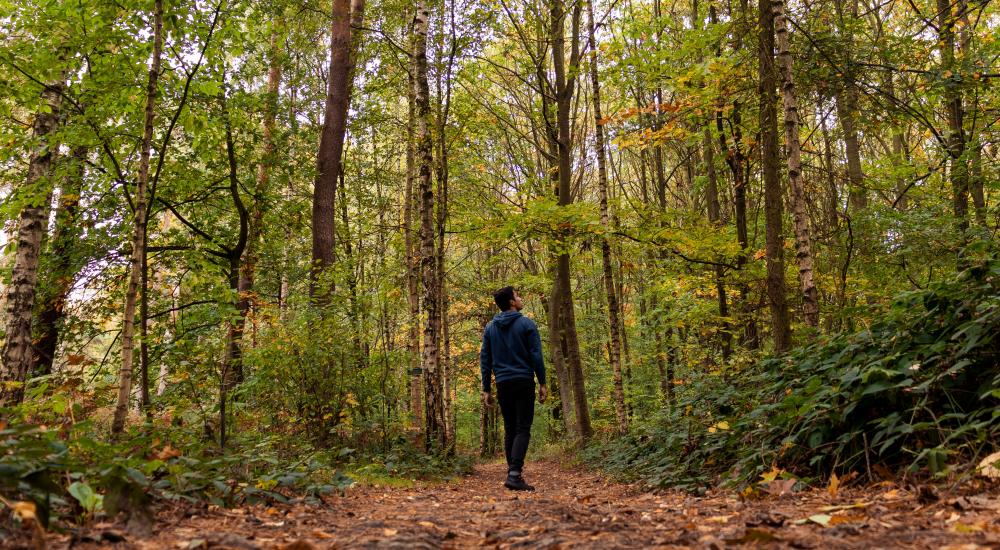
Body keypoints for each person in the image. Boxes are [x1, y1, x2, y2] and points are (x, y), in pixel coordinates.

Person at [480, 286, 548, 491]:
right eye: (517, 296)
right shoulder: (527, 324)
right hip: (523, 381)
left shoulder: (490, 328)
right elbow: (536, 355)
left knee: (510, 428)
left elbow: (485, 359)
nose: (520, 298)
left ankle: (512, 473)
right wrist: (542, 382)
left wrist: (486, 388)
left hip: (503, 383)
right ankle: (515, 474)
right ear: (511, 302)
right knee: (522, 428)